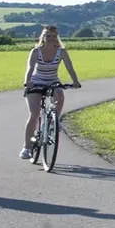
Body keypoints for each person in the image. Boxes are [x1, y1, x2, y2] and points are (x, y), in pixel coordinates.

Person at [20, 25, 82, 159]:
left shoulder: (62, 52)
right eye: (48, 36)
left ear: (57, 38)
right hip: (36, 82)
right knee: (34, 114)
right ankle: (26, 147)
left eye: (54, 36)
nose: (51, 38)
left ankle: (54, 121)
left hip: (53, 82)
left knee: (60, 95)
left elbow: (70, 67)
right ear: (43, 38)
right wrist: (28, 81)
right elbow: (30, 68)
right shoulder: (36, 51)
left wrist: (75, 81)